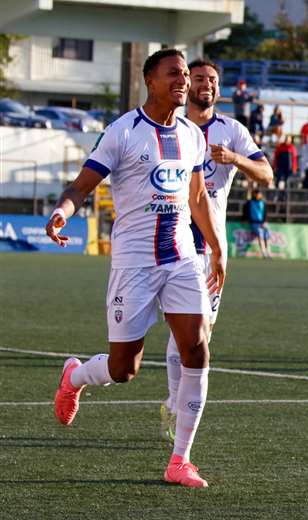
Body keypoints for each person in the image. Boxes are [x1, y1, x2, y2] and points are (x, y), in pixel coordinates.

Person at [43, 48, 225, 488]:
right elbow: (82, 184)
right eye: (174, 74)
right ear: (150, 81)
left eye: (185, 74)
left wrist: (217, 249)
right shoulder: (123, 132)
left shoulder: (192, 135)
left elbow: (197, 198)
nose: (183, 81)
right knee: (125, 368)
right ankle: (76, 375)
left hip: (182, 258)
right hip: (134, 263)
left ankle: (180, 459)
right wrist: (64, 210)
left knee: (197, 348)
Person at [159, 58, 273, 442]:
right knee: (187, 333)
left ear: (219, 90)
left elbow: (267, 174)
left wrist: (235, 159)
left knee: (201, 333)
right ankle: (175, 406)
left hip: (212, 247)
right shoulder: (173, 127)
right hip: (173, 244)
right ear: (188, 84)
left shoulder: (232, 130)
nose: (206, 84)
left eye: (213, 80)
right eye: (200, 78)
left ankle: (175, 403)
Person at [242, 189, 270, 259]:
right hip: (254, 222)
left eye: (259, 193)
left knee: (267, 235)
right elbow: (245, 211)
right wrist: (244, 219)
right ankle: (263, 252)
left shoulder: (262, 203)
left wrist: (265, 221)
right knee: (260, 235)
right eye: (256, 193)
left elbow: (265, 213)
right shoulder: (249, 203)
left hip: (262, 223)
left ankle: (268, 251)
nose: (258, 195)